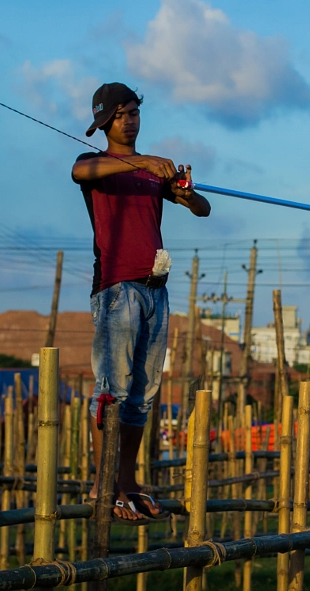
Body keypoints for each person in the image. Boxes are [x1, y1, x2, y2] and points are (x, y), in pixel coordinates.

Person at [71, 82, 211, 522]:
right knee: (112, 391)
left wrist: (185, 193)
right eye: (121, 114)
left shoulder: (154, 172)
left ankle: (127, 483)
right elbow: (80, 174)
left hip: (156, 289)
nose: (130, 120)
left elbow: (203, 208)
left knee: (142, 396)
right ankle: (104, 485)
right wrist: (143, 161)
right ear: (105, 122)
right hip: (117, 288)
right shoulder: (94, 164)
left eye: (134, 113)